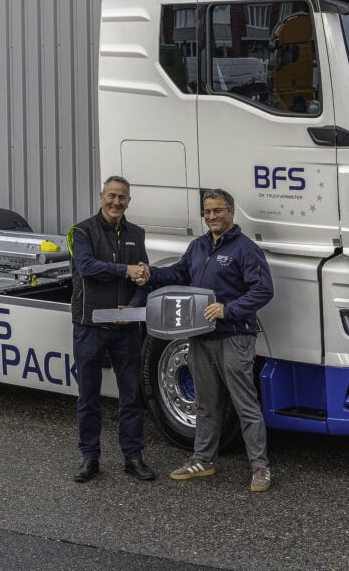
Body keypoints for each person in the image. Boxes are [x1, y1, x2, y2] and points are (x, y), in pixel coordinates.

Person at [149, 188, 274, 492]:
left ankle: (260, 467)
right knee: (206, 403)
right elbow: (179, 273)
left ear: (231, 212)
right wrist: (149, 274)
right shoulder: (198, 246)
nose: (212, 216)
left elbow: (263, 290)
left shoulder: (246, 249)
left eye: (218, 210)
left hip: (234, 336)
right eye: (207, 212)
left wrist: (228, 310)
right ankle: (203, 460)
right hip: (201, 335)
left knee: (245, 403)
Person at [67, 175, 155, 483]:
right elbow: (87, 267)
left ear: (129, 201)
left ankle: (133, 457)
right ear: (101, 196)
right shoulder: (80, 232)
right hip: (90, 325)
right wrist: (126, 270)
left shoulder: (136, 233)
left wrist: (133, 306)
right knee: (88, 396)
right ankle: (89, 458)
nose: (116, 202)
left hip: (126, 328)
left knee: (131, 395)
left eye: (122, 197)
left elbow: (144, 277)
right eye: (112, 196)